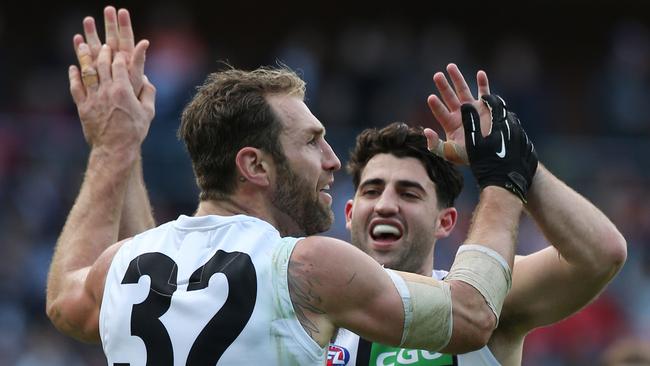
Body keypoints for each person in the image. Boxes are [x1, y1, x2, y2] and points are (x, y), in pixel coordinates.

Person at [45, 7, 536, 365]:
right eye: (312, 142)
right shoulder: (306, 266)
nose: (331, 162)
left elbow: (65, 302)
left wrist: (114, 146)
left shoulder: (122, 266)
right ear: (255, 165)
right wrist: (502, 178)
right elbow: (472, 317)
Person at [328, 64, 627, 366]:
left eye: (409, 194)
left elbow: (602, 255)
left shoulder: (483, 296)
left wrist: (515, 161)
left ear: (444, 222)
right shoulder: (313, 311)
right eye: (372, 191)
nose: (385, 205)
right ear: (350, 213)